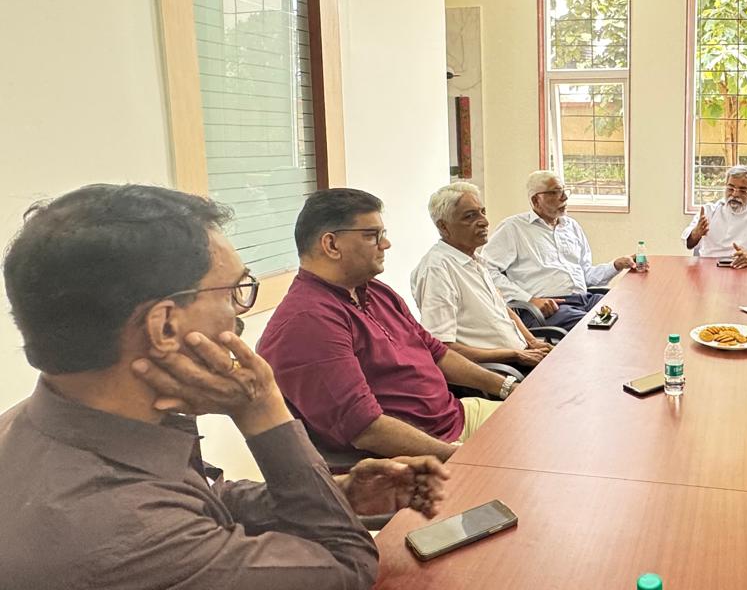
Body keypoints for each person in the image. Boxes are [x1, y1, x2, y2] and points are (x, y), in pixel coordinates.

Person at [0, 184, 448, 590]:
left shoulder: (43, 424)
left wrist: (338, 494)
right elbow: (348, 567)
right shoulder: (130, 533)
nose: (238, 315)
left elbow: (204, 496)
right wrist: (262, 407)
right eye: (234, 291)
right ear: (165, 326)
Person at [258, 188, 516, 462]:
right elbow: (366, 429)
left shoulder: (374, 290)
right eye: (372, 235)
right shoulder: (308, 322)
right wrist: (459, 457)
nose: (386, 244)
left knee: (540, 418)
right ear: (331, 245)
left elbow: (436, 352)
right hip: (419, 455)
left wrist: (508, 387)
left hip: (456, 417)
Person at [412, 182, 554, 372]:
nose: (484, 222)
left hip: (522, 356)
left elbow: (504, 311)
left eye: (482, 212)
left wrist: (532, 342)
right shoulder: (437, 269)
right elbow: (443, 348)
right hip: (500, 370)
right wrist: (514, 354)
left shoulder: (475, 260)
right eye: (470, 216)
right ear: (444, 226)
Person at [485, 171, 636, 330]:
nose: (564, 197)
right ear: (536, 200)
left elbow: (585, 275)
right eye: (556, 192)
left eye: (564, 190)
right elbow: (487, 271)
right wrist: (529, 300)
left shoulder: (571, 226)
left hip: (584, 300)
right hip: (549, 307)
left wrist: (616, 265)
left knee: (630, 309)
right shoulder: (513, 228)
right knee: (597, 327)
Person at [682, 164, 747, 268]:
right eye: (730, 188)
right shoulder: (709, 211)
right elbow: (688, 242)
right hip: (710, 267)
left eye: (742, 190)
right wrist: (696, 233)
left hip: (745, 268)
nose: (735, 194)